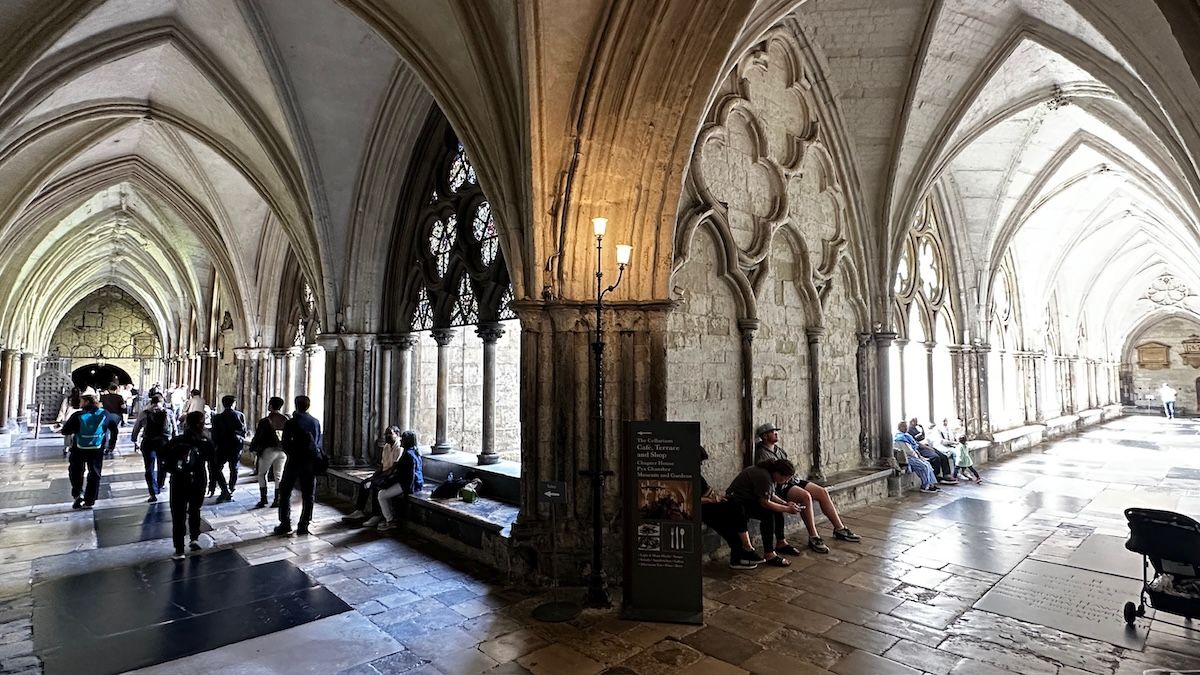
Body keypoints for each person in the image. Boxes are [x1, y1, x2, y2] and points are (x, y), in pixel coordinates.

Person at [752, 423, 861, 553]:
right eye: (772, 432)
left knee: (822, 492)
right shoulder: (762, 453)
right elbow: (774, 476)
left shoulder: (778, 450)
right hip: (780, 485)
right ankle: (813, 536)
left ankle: (840, 528)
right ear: (764, 436)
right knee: (805, 496)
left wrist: (794, 477)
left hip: (792, 480)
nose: (776, 433)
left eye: (776, 431)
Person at [725, 458, 805, 566]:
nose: (785, 481)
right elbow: (765, 502)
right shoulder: (764, 476)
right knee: (768, 514)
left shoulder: (770, 474)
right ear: (777, 473)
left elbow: (771, 495)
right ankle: (769, 554)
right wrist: (787, 509)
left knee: (777, 510)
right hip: (737, 502)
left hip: (748, 500)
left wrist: (785, 503)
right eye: (784, 478)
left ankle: (781, 542)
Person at [700, 446, 767, 569]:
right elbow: (687, 500)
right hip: (700, 509)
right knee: (734, 511)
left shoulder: (696, 475)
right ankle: (746, 549)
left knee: (736, 506)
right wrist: (710, 499)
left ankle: (740, 556)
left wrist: (716, 497)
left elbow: (707, 491)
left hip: (708, 505)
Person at [162, 411, 215, 559]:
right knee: (194, 509)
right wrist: (213, 482)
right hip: (198, 479)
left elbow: (164, 459)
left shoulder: (177, 440)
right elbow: (213, 463)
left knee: (178, 514)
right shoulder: (205, 441)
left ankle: (179, 549)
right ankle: (194, 538)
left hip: (179, 479)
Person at [60, 388, 120, 509]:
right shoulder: (104, 414)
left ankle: (78, 494)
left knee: (76, 471)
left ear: (86, 402)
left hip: (79, 449)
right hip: (97, 449)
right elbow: (114, 429)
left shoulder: (78, 415)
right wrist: (111, 445)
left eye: (82, 401)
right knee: (94, 473)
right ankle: (90, 500)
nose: (80, 403)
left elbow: (65, 431)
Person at [274, 395, 322, 536]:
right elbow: (318, 442)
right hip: (310, 463)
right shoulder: (315, 422)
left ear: (296, 405)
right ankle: (304, 525)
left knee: (285, 492)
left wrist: (292, 454)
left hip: (294, 462)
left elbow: (285, 443)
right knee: (308, 495)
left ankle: (285, 523)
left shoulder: (291, 423)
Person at [344, 426, 406, 526]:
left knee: (375, 485)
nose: (387, 436)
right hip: (384, 474)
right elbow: (383, 465)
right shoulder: (386, 446)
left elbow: (393, 468)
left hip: (392, 476)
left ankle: (376, 515)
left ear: (397, 435)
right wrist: (374, 475)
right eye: (386, 434)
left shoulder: (399, 447)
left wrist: (376, 478)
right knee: (364, 483)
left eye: (390, 434)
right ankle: (359, 511)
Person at [374, 429, 425, 532]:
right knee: (383, 490)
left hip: (408, 484)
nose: (401, 440)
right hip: (414, 483)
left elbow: (408, 475)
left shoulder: (408, 455)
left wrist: (406, 490)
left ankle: (390, 521)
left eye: (403, 439)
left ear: (407, 441)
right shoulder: (413, 451)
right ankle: (389, 517)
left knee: (381, 494)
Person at [131, 394, 176, 502]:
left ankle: (153, 491)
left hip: (149, 442)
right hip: (164, 442)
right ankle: (160, 484)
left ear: (151, 402)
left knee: (149, 467)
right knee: (162, 464)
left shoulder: (144, 413)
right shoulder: (168, 413)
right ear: (162, 402)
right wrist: (174, 441)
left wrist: (134, 440)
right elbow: (174, 428)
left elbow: (136, 427)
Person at [251, 396, 289, 509]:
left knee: (262, 474)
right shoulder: (286, 420)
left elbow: (259, 436)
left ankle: (263, 499)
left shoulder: (264, 421)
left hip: (268, 450)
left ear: (271, 406)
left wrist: (254, 447)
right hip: (282, 451)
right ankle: (277, 499)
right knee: (279, 475)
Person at [209, 395, 246, 503]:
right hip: (235, 445)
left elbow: (214, 435)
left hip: (222, 446)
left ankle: (224, 489)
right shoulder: (240, 415)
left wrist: (215, 445)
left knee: (216, 468)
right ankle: (231, 488)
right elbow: (244, 431)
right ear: (234, 404)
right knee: (234, 468)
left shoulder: (216, 417)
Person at [893, 423, 938, 492]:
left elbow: (913, 447)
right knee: (924, 466)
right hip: (907, 458)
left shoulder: (906, 436)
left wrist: (919, 456)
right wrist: (918, 457)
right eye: (903, 427)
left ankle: (931, 484)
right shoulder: (900, 438)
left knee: (928, 464)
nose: (905, 428)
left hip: (913, 455)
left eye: (906, 426)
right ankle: (925, 486)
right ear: (899, 427)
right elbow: (909, 451)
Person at [55, 387, 81, 457]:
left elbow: (62, 410)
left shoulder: (67, 399)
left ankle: (66, 447)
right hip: (79, 418)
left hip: (68, 418)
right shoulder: (82, 400)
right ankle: (76, 446)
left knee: (68, 434)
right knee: (77, 433)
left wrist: (59, 420)